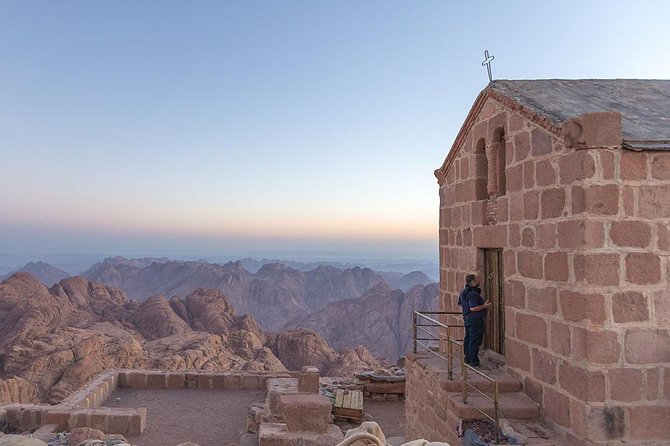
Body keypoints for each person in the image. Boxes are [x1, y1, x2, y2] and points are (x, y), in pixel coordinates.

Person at [457, 274, 491, 367]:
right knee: (475, 340)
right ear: (474, 282)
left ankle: (467, 358)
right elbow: (473, 308)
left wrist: (466, 309)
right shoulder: (473, 294)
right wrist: (484, 306)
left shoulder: (463, 292)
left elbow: (460, 304)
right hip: (475, 320)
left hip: (467, 319)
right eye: (477, 280)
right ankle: (474, 361)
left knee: (468, 338)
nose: (479, 281)